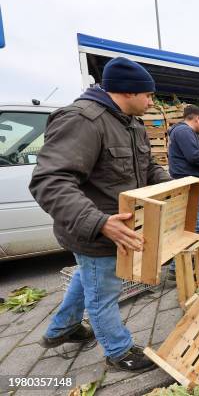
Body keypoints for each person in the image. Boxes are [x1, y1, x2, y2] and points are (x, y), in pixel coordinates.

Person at [29, 57, 172, 372]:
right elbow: (49, 182)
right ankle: (118, 350)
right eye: (148, 95)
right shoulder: (84, 120)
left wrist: (173, 186)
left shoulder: (131, 124)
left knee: (88, 277)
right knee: (103, 292)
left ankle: (60, 330)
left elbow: (147, 168)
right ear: (127, 92)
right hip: (97, 231)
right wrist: (98, 222)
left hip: (118, 227)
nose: (152, 101)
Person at [167, 104, 199, 279]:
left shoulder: (187, 134)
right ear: (196, 119)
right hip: (188, 184)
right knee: (195, 224)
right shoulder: (184, 132)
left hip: (191, 183)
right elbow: (195, 156)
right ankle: (179, 268)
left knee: (191, 223)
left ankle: (180, 267)